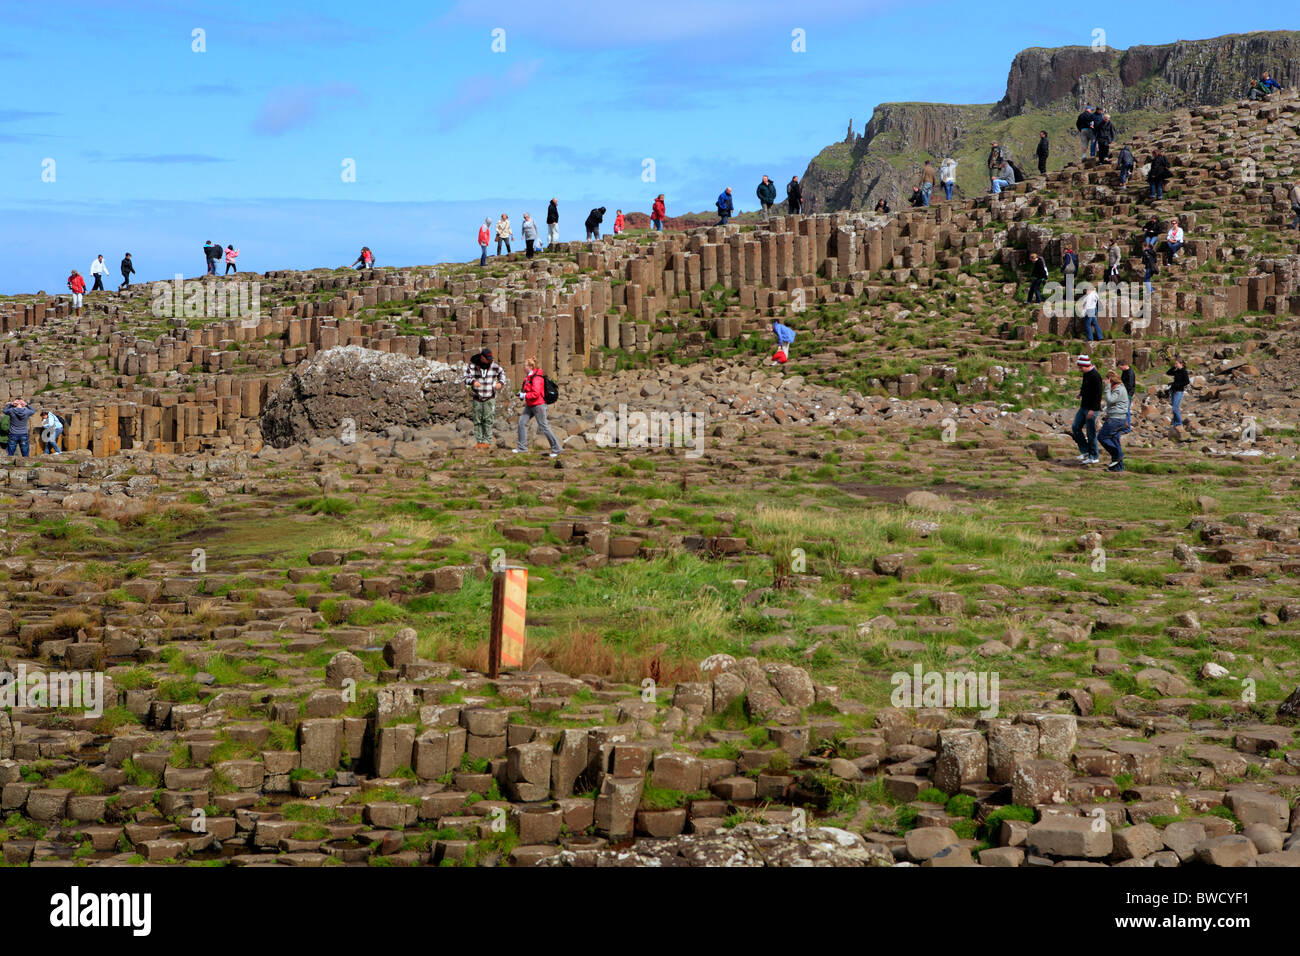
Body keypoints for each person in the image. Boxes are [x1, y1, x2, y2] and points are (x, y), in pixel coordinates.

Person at [514, 356, 560, 457]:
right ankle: (522, 447)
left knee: (544, 426)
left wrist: (524, 395)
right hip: (530, 404)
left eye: (525, 366)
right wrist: (522, 394)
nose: (523, 367)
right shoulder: (528, 378)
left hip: (538, 405)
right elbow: (528, 391)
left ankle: (557, 449)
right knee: (521, 422)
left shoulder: (537, 378)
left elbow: (536, 394)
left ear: (530, 366)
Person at [463, 347, 507, 449]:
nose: (489, 360)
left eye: (490, 358)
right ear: (482, 357)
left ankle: (487, 441)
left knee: (488, 420)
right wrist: (473, 382)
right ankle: (479, 441)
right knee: (477, 420)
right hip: (477, 397)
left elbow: (502, 374)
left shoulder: (495, 366)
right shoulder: (472, 365)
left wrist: (500, 383)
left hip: (489, 397)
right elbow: (465, 378)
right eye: (487, 358)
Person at [1071, 355, 1102, 464]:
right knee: (1075, 427)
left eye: (1080, 367)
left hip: (1092, 409)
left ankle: (1094, 456)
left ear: (1085, 366)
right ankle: (1085, 452)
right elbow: (1085, 387)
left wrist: (1093, 410)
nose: (1079, 370)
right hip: (1084, 406)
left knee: (1090, 433)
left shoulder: (1096, 376)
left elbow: (1098, 395)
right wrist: (1081, 393)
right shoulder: (1086, 374)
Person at [1097, 369, 1129, 472]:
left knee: (1102, 437)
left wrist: (1107, 388)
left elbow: (1110, 400)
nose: (1105, 382)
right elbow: (1114, 404)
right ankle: (1118, 468)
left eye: (1106, 380)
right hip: (1118, 418)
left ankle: (1118, 454)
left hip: (1116, 419)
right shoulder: (1119, 388)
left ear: (1110, 380)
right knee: (1115, 440)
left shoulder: (1118, 389)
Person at [1167, 359, 1190, 428]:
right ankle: (1175, 424)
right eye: (1175, 364)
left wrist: (1178, 385)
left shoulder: (1184, 371)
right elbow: (1168, 373)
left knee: (1175, 408)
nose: (1175, 365)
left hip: (1179, 391)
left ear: (1181, 364)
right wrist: (1174, 367)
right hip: (1173, 390)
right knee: (1174, 407)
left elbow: (1187, 382)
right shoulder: (1177, 371)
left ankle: (1179, 423)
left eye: (1177, 363)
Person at [1119, 362, 1136, 433]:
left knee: (1126, 411)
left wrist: (1121, 388)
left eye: (1120, 367)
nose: (1120, 369)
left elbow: (1130, 385)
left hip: (1128, 394)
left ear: (1124, 365)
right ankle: (1124, 426)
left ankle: (1127, 428)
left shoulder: (1130, 373)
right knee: (1124, 410)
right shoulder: (1125, 371)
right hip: (1125, 393)